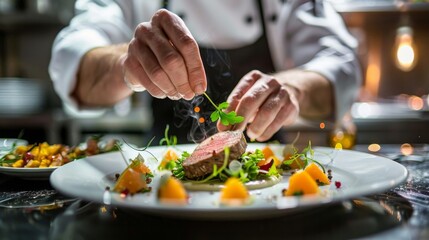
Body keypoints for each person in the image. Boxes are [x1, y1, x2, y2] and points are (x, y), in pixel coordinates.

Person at [49, 0, 362, 145]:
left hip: (271, 187)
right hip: (159, 183)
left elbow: (343, 65)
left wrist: (293, 89)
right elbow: (72, 58)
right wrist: (127, 65)